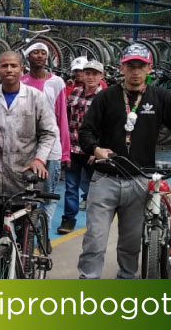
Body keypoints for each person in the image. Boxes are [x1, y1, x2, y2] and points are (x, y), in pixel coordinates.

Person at [77, 43, 171, 279]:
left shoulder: (161, 98)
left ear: (149, 68)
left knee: (130, 244)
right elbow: (86, 131)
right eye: (131, 66)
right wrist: (95, 148)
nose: (135, 71)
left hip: (139, 180)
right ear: (122, 67)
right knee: (95, 241)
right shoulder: (106, 97)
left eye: (140, 66)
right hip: (105, 179)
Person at [0, 51, 57, 240]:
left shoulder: (36, 97)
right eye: (4, 66)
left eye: (13, 66)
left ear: (21, 69)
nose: (9, 69)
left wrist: (39, 159)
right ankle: (0, 267)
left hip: (24, 176)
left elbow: (49, 132)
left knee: (22, 236)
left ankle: (24, 268)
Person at [20, 43, 70, 227]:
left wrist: (65, 152)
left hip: (52, 147)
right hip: (27, 147)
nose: (40, 56)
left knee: (48, 195)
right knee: (27, 194)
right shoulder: (21, 83)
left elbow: (62, 117)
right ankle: (28, 234)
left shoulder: (57, 83)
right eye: (35, 52)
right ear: (27, 57)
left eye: (43, 53)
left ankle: (44, 233)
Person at [58, 60, 106, 235]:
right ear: (83, 75)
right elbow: (66, 119)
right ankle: (69, 220)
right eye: (88, 73)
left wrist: (98, 149)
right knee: (71, 186)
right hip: (73, 148)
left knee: (94, 188)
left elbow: (108, 126)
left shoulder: (105, 96)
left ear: (101, 76)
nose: (91, 77)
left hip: (93, 150)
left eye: (95, 74)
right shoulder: (76, 92)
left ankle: (95, 222)